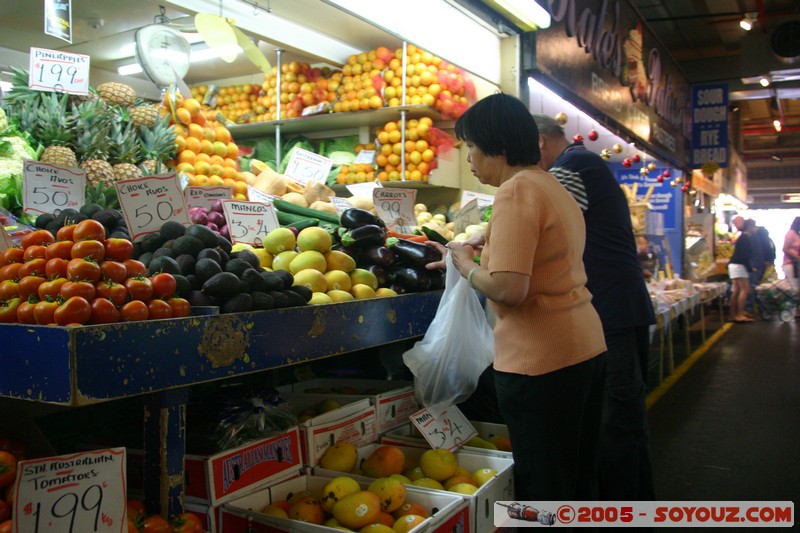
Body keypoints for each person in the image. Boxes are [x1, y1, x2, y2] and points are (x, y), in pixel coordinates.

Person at [428, 93, 607, 501]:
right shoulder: (550, 183)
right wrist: (481, 244)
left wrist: (466, 266)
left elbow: (509, 291)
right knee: (576, 477)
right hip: (583, 348)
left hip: (541, 360)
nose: (469, 158)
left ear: (500, 147)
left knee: (544, 486)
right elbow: (541, 254)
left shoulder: (514, 191)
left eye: (472, 146)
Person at [533, 113, 657, 502]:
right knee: (620, 428)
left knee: (615, 429)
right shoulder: (583, 165)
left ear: (538, 143)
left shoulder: (574, 165)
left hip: (612, 313)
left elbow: (534, 217)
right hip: (615, 309)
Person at [728, 218, 757, 323]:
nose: (755, 229)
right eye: (754, 226)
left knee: (736, 291)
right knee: (744, 290)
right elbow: (744, 256)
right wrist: (750, 268)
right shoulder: (746, 238)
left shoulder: (741, 237)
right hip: (739, 266)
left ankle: (733, 315)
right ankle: (739, 314)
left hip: (734, 264)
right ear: (750, 227)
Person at [782, 216, 800, 292]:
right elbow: (785, 248)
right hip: (791, 263)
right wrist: (796, 257)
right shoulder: (791, 234)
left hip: (796, 264)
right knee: (794, 286)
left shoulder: (797, 235)